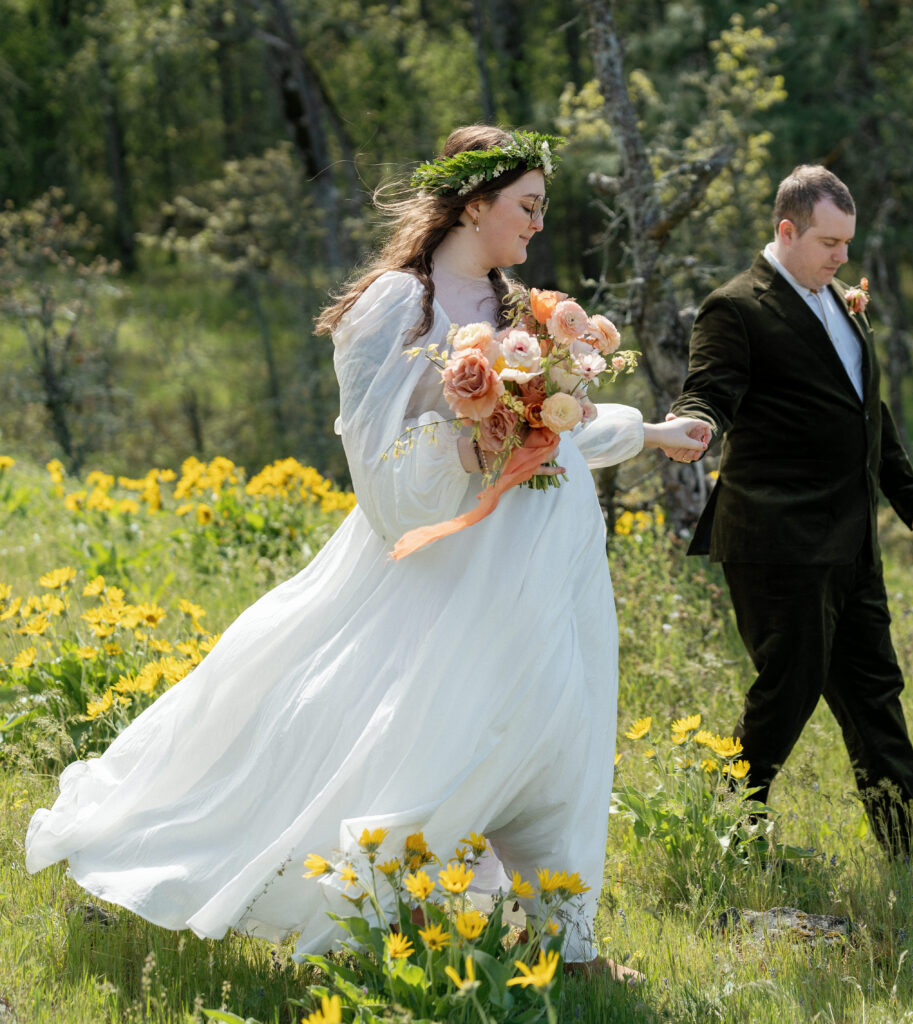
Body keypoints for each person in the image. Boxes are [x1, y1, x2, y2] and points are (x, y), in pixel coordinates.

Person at [25, 125, 710, 973]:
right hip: (453, 567)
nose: (537, 225)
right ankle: (369, 909)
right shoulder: (399, 302)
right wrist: (475, 444)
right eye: (527, 207)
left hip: (548, 565)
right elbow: (379, 465)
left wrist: (649, 430)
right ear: (474, 203)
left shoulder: (520, 313)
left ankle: (566, 943)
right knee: (449, 736)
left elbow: (556, 430)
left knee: (561, 733)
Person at [668, 164, 913, 862]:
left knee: (874, 689)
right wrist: (694, 423)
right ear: (785, 231)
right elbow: (710, 388)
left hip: (852, 540)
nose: (842, 257)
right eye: (829, 242)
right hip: (777, 538)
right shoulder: (736, 307)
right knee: (786, 692)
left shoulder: (841, 302)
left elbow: (865, 408)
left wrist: (909, 497)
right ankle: (724, 831)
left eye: (848, 243)